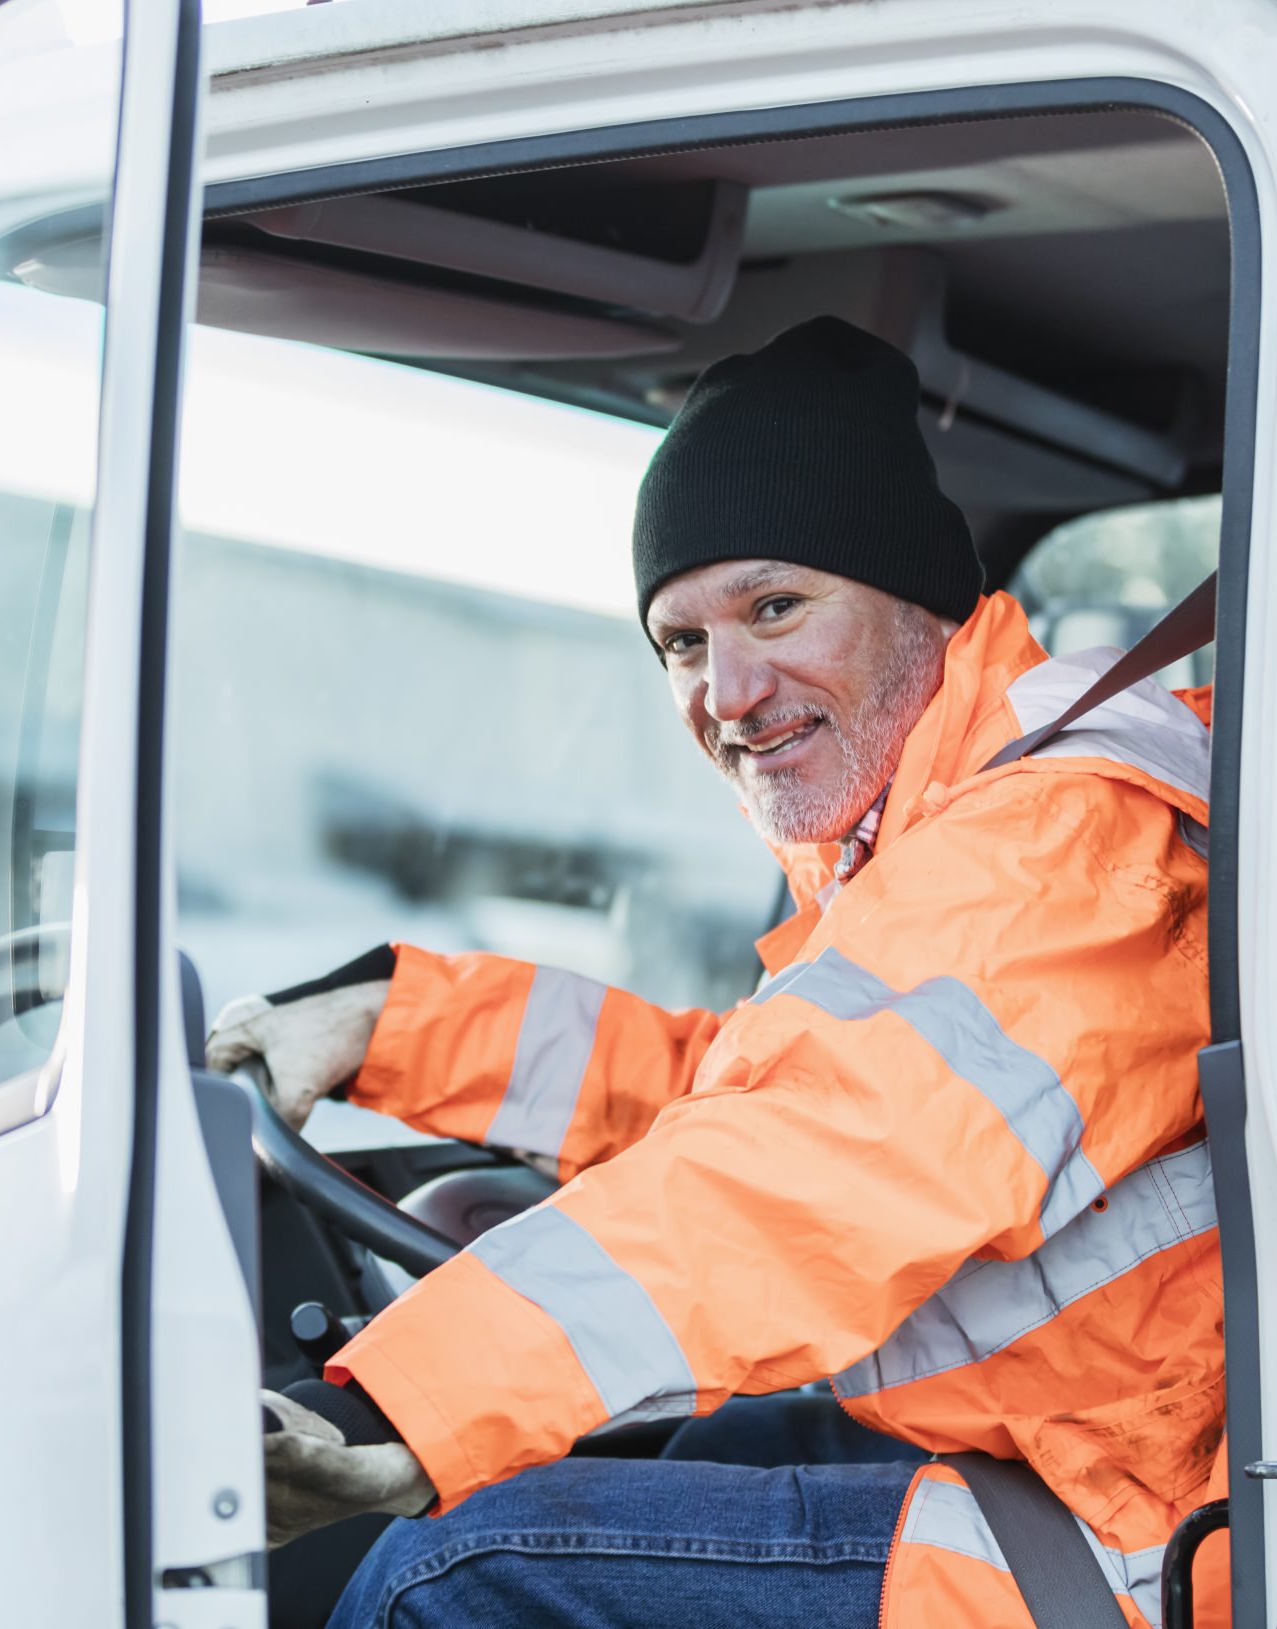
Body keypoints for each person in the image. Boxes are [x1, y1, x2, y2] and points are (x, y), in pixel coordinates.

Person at [210, 317, 1225, 1628]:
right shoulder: (925, 837)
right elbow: (752, 1098)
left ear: (916, 595)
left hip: (1130, 1538)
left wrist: (400, 1402)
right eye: (682, 643)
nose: (730, 690)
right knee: (655, 1463)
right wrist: (388, 1023)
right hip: (1039, 1456)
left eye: (774, 606)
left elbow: (797, 1179)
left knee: (446, 1583)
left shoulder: (1057, 842)